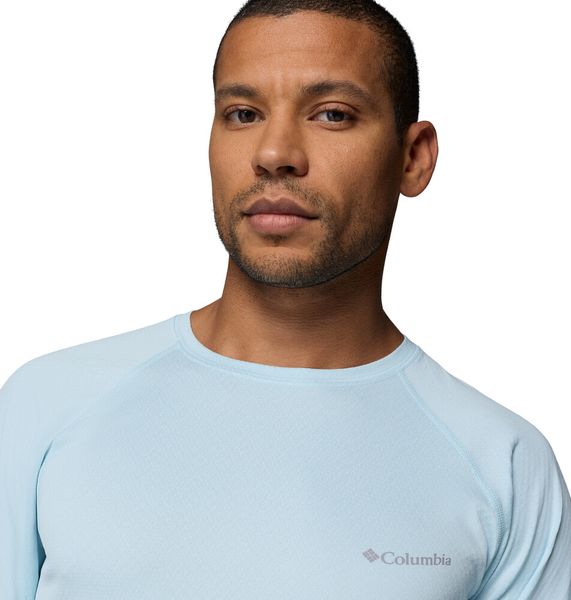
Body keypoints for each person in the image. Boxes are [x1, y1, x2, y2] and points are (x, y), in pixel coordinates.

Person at [1, 0, 570, 598]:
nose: (274, 154)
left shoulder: (503, 464)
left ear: (413, 158)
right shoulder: (47, 405)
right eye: (243, 113)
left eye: (332, 114)